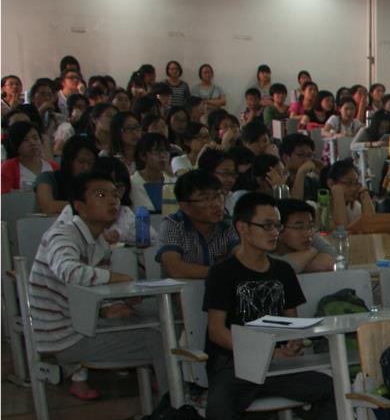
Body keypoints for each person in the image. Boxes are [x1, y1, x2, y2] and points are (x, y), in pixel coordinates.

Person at [203, 193, 344, 420]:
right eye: (266, 225)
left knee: (339, 391)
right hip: (237, 364)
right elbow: (217, 331)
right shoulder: (223, 273)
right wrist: (262, 350)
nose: (274, 232)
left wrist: (294, 342)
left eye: (277, 226)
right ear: (242, 228)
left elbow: (291, 322)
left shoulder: (282, 271)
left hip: (279, 367)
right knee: (218, 408)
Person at [28, 172, 169, 401]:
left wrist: (109, 306)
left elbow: (86, 291)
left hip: (83, 322)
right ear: (80, 207)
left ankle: (173, 401)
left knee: (158, 316)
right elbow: (69, 272)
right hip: (64, 336)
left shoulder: (99, 241)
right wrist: (114, 278)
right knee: (160, 339)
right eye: (101, 195)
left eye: (115, 195)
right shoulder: (63, 235)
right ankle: (174, 407)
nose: (112, 201)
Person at [155, 170, 240, 279]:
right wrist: (221, 272)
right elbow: (174, 269)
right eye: (205, 199)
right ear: (185, 206)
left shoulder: (228, 224)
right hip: (182, 289)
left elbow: (244, 260)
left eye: (218, 196)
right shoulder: (172, 224)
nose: (217, 204)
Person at [34, 135, 97, 214]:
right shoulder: (47, 178)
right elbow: (48, 207)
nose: (86, 167)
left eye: (90, 163)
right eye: (81, 161)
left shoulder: (96, 182)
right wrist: (87, 206)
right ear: (69, 161)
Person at [272, 199, 335, 274]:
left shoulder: (311, 237)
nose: (308, 234)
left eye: (310, 226)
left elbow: (334, 259)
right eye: (299, 227)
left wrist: (300, 264)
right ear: (278, 229)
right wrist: (312, 251)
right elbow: (278, 270)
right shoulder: (265, 247)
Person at [1, 120, 56, 193]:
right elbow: (5, 197)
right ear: (15, 144)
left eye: (35, 138)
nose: (33, 143)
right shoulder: (8, 168)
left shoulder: (54, 167)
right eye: (25, 140)